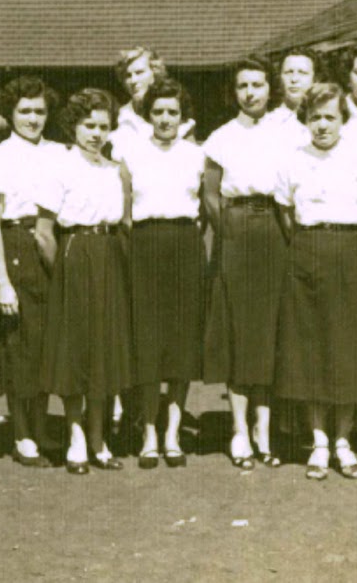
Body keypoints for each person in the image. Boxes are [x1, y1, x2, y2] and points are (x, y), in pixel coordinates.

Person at [273, 83, 357, 480]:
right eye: (315, 117)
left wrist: (347, 245)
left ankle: (344, 440)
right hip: (306, 251)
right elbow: (286, 214)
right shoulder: (291, 159)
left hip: (351, 253)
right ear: (305, 120)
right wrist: (313, 243)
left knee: (348, 346)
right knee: (311, 346)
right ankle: (319, 442)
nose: (322, 125)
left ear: (343, 119)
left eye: (330, 117)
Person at [202, 57, 294, 469]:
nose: (251, 92)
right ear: (234, 91)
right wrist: (230, 232)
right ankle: (239, 429)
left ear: (269, 88)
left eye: (258, 84)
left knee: (269, 326)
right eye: (243, 86)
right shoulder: (221, 137)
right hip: (237, 227)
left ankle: (265, 430)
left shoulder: (289, 130)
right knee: (238, 328)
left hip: (275, 225)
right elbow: (210, 195)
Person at [37, 88, 134, 474]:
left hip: (109, 255)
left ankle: (99, 438)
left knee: (104, 350)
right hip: (74, 256)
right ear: (73, 126)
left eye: (103, 126)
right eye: (88, 125)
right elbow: (43, 232)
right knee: (76, 351)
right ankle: (75, 436)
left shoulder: (115, 170)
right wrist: (64, 268)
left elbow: (124, 220)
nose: (95, 133)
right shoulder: (60, 167)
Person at [112, 78, 205, 469]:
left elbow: (204, 204)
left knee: (182, 341)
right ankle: (149, 431)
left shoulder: (197, 154)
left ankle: (173, 433)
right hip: (146, 245)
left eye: (173, 112)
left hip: (185, 245)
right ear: (147, 115)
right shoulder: (131, 153)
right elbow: (126, 212)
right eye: (158, 112)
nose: (166, 119)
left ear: (183, 116)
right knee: (147, 340)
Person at [0, 77, 63, 467]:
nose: (33, 118)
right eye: (25, 111)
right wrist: (2, 280)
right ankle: (22, 434)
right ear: (11, 113)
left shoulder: (61, 153)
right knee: (21, 344)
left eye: (40, 111)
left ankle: (43, 426)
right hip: (15, 246)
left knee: (48, 341)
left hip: (52, 242)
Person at [111, 46, 195, 152]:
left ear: (155, 73)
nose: (133, 80)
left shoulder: (174, 114)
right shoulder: (119, 117)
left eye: (139, 72)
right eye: (128, 75)